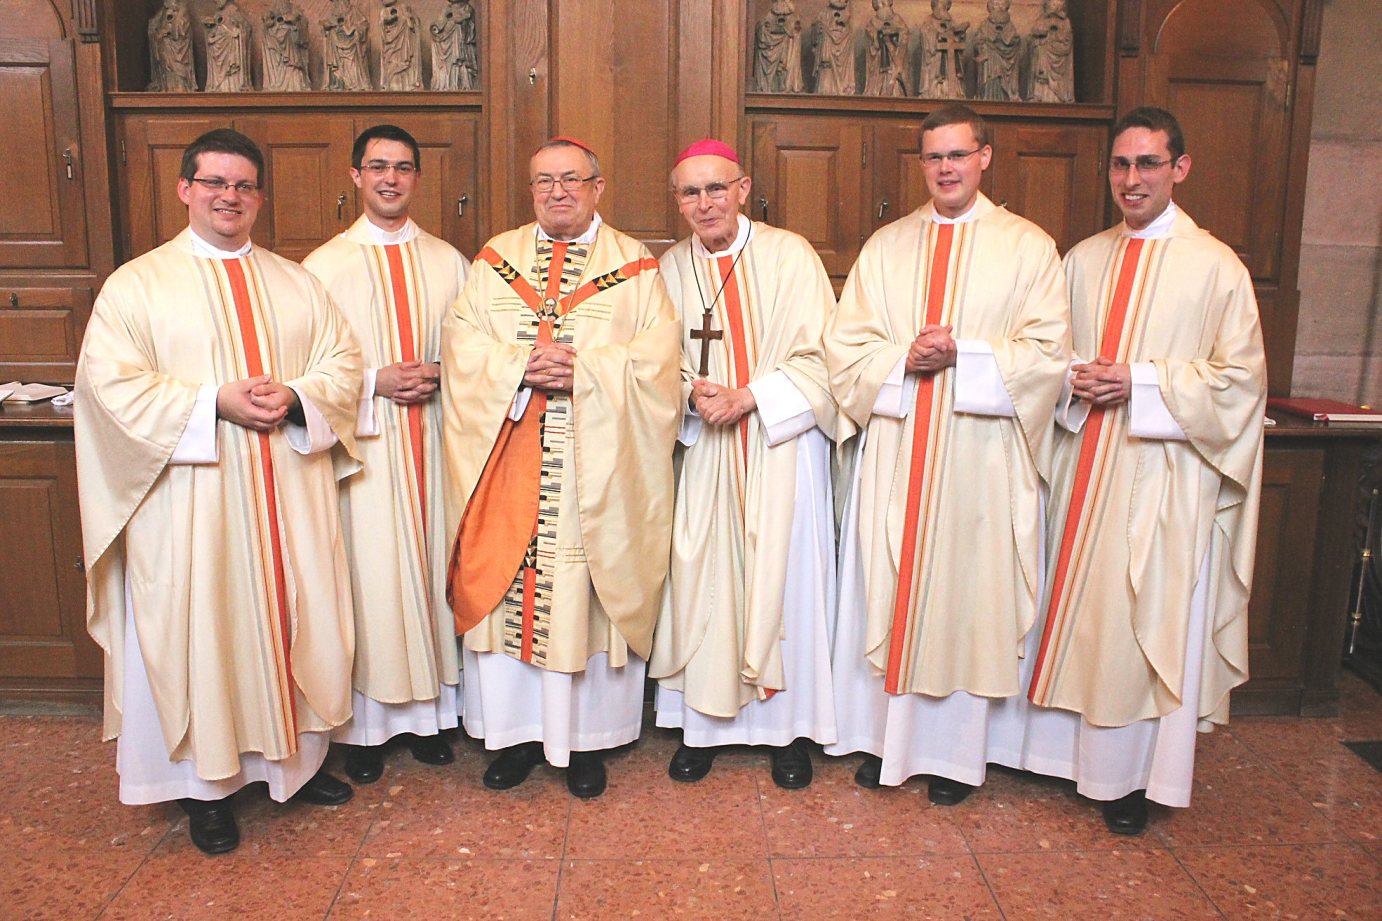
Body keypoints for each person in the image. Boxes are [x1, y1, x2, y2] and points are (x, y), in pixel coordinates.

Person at [74, 128, 363, 855]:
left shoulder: (297, 281)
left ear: (260, 195)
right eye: (214, 183)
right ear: (185, 188)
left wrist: (296, 396)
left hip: (285, 501)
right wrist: (213, 403)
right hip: (190, 507)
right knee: (204, 627)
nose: (228, 197)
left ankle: (293, 768)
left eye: (243, 185)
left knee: (290, 616)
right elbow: (110, 389)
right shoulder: (136, 285)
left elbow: (344, 365)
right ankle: (206, 790)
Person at [1018, 107, 1266, 834]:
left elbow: (1239, 382)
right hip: (1081, 463)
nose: (1132, 179)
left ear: (1179, 168)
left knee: (1136, 621)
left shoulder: (1216, 266)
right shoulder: (1083, 258)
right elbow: (1044, 358)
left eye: (1148, 164)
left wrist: (1143, 383)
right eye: (1121, 165)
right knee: (1074, 612)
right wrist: (1071, 379)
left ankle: (1129, 778)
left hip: (1161, 475)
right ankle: (1063, 759)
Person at [824, 104, 1069, 806]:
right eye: (933, 157)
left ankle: (956, 759)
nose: (945, 169)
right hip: (901, 449)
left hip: (980, 457)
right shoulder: (888, 246)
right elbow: (847, 349)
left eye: (958, 155)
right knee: (892, 584)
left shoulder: (1028, 247)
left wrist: (967, 352)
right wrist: (905, 357)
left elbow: (1049, 354)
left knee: (967, 598)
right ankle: (885, 744)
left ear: (985, 157)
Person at [442, 137, 681, 798]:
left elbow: (660, 365)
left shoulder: (635, 264)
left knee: (585, 593)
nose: (557, 192)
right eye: (544, 180)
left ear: (598, 187)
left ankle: (586, 741)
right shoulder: (497, 258)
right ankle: (514, 736)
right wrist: (518, 365)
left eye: (571, 179)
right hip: (509, 458)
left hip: (593, 469)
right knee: (508, 584)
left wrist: (586, 370)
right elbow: (461, 343)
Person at [649, 140, 844, 789]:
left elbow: (826, 359)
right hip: (706, 451)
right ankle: (702, 727)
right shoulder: (669, 268)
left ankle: (787, 734)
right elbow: (649, 362)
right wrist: (690, 393)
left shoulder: (790, 256)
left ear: (743, 188)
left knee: (784, 584)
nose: (704, 203)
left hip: (780, 449)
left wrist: (751, 396)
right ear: (677, 202)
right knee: (702, 579)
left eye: (715, 188)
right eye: (689, 193)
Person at [302, 124, 469, 785]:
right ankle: (367, 729)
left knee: (434, 574)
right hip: (364, 449)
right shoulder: (321, 268)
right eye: (378, 167)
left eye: (403, 167)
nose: (390, 178)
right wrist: (376, 381)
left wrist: (442, 373)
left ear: (418, 179)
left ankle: (431, 719)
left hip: (436, 443)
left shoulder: (450, 261)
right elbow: (307, 368)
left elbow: (477, 351)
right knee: (370, 581)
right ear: (355, 176)